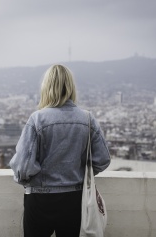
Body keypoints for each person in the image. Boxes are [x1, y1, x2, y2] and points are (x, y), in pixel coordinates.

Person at [9, 64, 111, 237]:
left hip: (40, 198)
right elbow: (102, 160)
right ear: (71, 87)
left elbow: (23, 167)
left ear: (46, 87)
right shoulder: (87, 119)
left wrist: (32, 180)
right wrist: (78, 174)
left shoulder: (37, 119)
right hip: (75, 198)